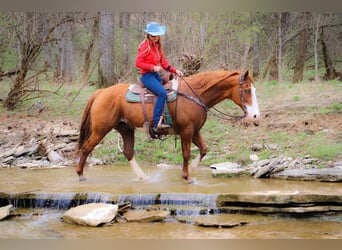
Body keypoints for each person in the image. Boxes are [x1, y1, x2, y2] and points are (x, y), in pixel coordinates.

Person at [136, 21, 183, 133]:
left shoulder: (158, 46)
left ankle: (169, 117)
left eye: (157, 35)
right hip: (147, 76)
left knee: (171, 89)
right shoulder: (144, 46)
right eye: (152, 35)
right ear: (148, 35)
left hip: (156, 75)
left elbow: (165, 64)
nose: (155, 38)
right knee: (162, 93)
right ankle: (156, 122)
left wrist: (175, 70)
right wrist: (152, 67)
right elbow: (138, 63)